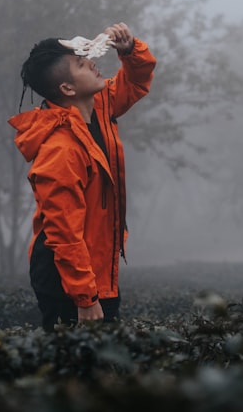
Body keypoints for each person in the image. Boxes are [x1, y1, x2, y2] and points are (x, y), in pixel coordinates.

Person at [8, 22, 156, 330]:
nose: (92, 63)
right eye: (80, 63)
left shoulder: (98, 108)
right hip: (68, 279)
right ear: (67, 89)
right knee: (75, 369)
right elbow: (62, 231)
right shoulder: (60, 150)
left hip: (95, 270)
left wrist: (129, 51)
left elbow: (137, 83)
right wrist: (84, 298)